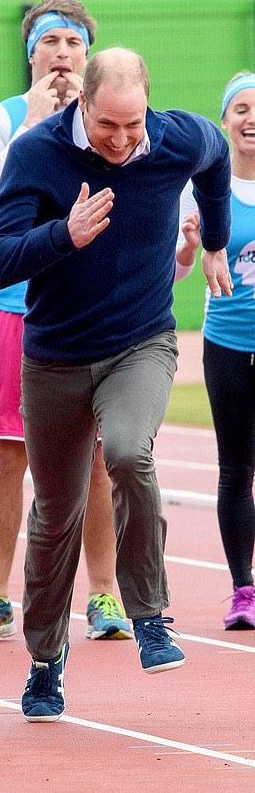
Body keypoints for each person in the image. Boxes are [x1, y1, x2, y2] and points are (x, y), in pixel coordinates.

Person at [0, 47, 232, 721]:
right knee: (55, 516)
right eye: (106, 126)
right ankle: (43, 662)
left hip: (140, 343)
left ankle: (148, 615)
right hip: (55, 354)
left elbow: (215, 163)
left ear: (150, 103)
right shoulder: (36, 154)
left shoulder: (178, 135)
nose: (121, 141)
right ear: (82, 105)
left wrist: (215, 241)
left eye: (133, 124)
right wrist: (63, 235)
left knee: (128, 450)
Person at [0, 0, 131, 645]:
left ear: (89, 55)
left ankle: (106, 594)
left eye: (74, 44)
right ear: (31, 51)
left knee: (95, 458)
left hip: (90, 309)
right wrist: (33, 121)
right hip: (15, 309)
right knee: (8, 454)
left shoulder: (107, 121)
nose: (62, 55)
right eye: (51, 43)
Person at [176, 72, 255, 630]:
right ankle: (243, 590)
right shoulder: (206, 187)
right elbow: (180, 266)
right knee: (236, 469)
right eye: (241, 109)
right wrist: (185, 243)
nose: (252, 118)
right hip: (226, 343)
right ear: (225, 121)